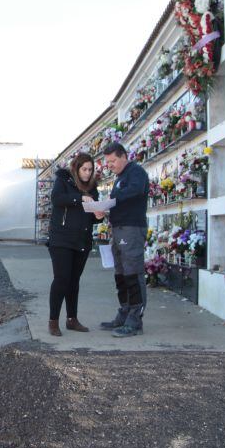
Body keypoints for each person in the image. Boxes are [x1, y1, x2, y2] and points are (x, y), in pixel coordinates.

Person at [46, 153, 105, 336]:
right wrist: (79, 198)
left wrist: (98, 216)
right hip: (61, 239)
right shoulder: (63, 179)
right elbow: (57, 200)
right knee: (61, 279)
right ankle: (53, 321)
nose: (87, 173)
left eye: (90, 169)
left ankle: (72, 319)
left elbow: (90, 216)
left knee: (74, 281)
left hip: (82, 240)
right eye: (84, 169)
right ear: (76, 168)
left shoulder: (92, 187)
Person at [99, 142, 150, 337]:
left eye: (112, 161)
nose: (109, 165)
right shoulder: (120, 177)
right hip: (119, 229)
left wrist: (113, 198)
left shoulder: (135, 172)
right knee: (120, 274)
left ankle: (135, 320)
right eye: (107, 162)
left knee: (132, 273)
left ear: (123, 156)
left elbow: (135, 191)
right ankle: (125, 312)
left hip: (131, 229)